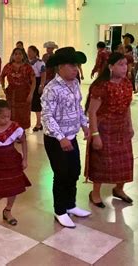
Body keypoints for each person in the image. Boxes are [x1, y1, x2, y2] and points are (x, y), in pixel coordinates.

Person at [41, 47, 91, 228]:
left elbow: (78, 108)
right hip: (56, 140)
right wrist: (61, 138)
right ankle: (60, 210)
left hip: (72, 135)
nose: (76, 69)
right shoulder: (51, 89)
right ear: (60, 67)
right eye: (72, 66)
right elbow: (47, 116)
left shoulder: (75, 84)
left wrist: (85, 125)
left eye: (76, 65)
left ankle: (70, 205)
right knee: (61, 174)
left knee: (74, 171)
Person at [85, 52, 134, 208]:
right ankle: (95, 193)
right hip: (104, 128)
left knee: (124, 161)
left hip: (122, 128)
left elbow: (127, 107)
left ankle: (119, 189)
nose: (124, 68)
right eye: (120, 64)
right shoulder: (101, 86)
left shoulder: (127, 83)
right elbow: (92, 112)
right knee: (102, 162)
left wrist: (130, 126)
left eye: (126, 64)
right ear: (111, 67)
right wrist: (95, 134)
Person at [0, 48, 35, 130]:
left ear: (23, 56)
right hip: (11, 94)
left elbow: (34, 81)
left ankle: (21, 134)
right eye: (16, 54)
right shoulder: (8, 66)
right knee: (11, 114)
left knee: (23, 114)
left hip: (24, 94)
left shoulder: (27, 67)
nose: (18, 56)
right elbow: (1, 76)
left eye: (20, 54)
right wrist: (3, 87)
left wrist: (31, 94)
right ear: (13, 56)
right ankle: (12, 132)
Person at [28, 45, 46, 132]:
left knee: (37, 104)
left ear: (35, 52)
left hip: (37, 82)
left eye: (31, 51)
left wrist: (41, 85)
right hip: (28, 83)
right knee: (30, 104)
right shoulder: (27, 62)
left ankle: (39, 123)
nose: (29, 53)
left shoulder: (40, 62)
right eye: (28, 52)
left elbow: (43, 75)